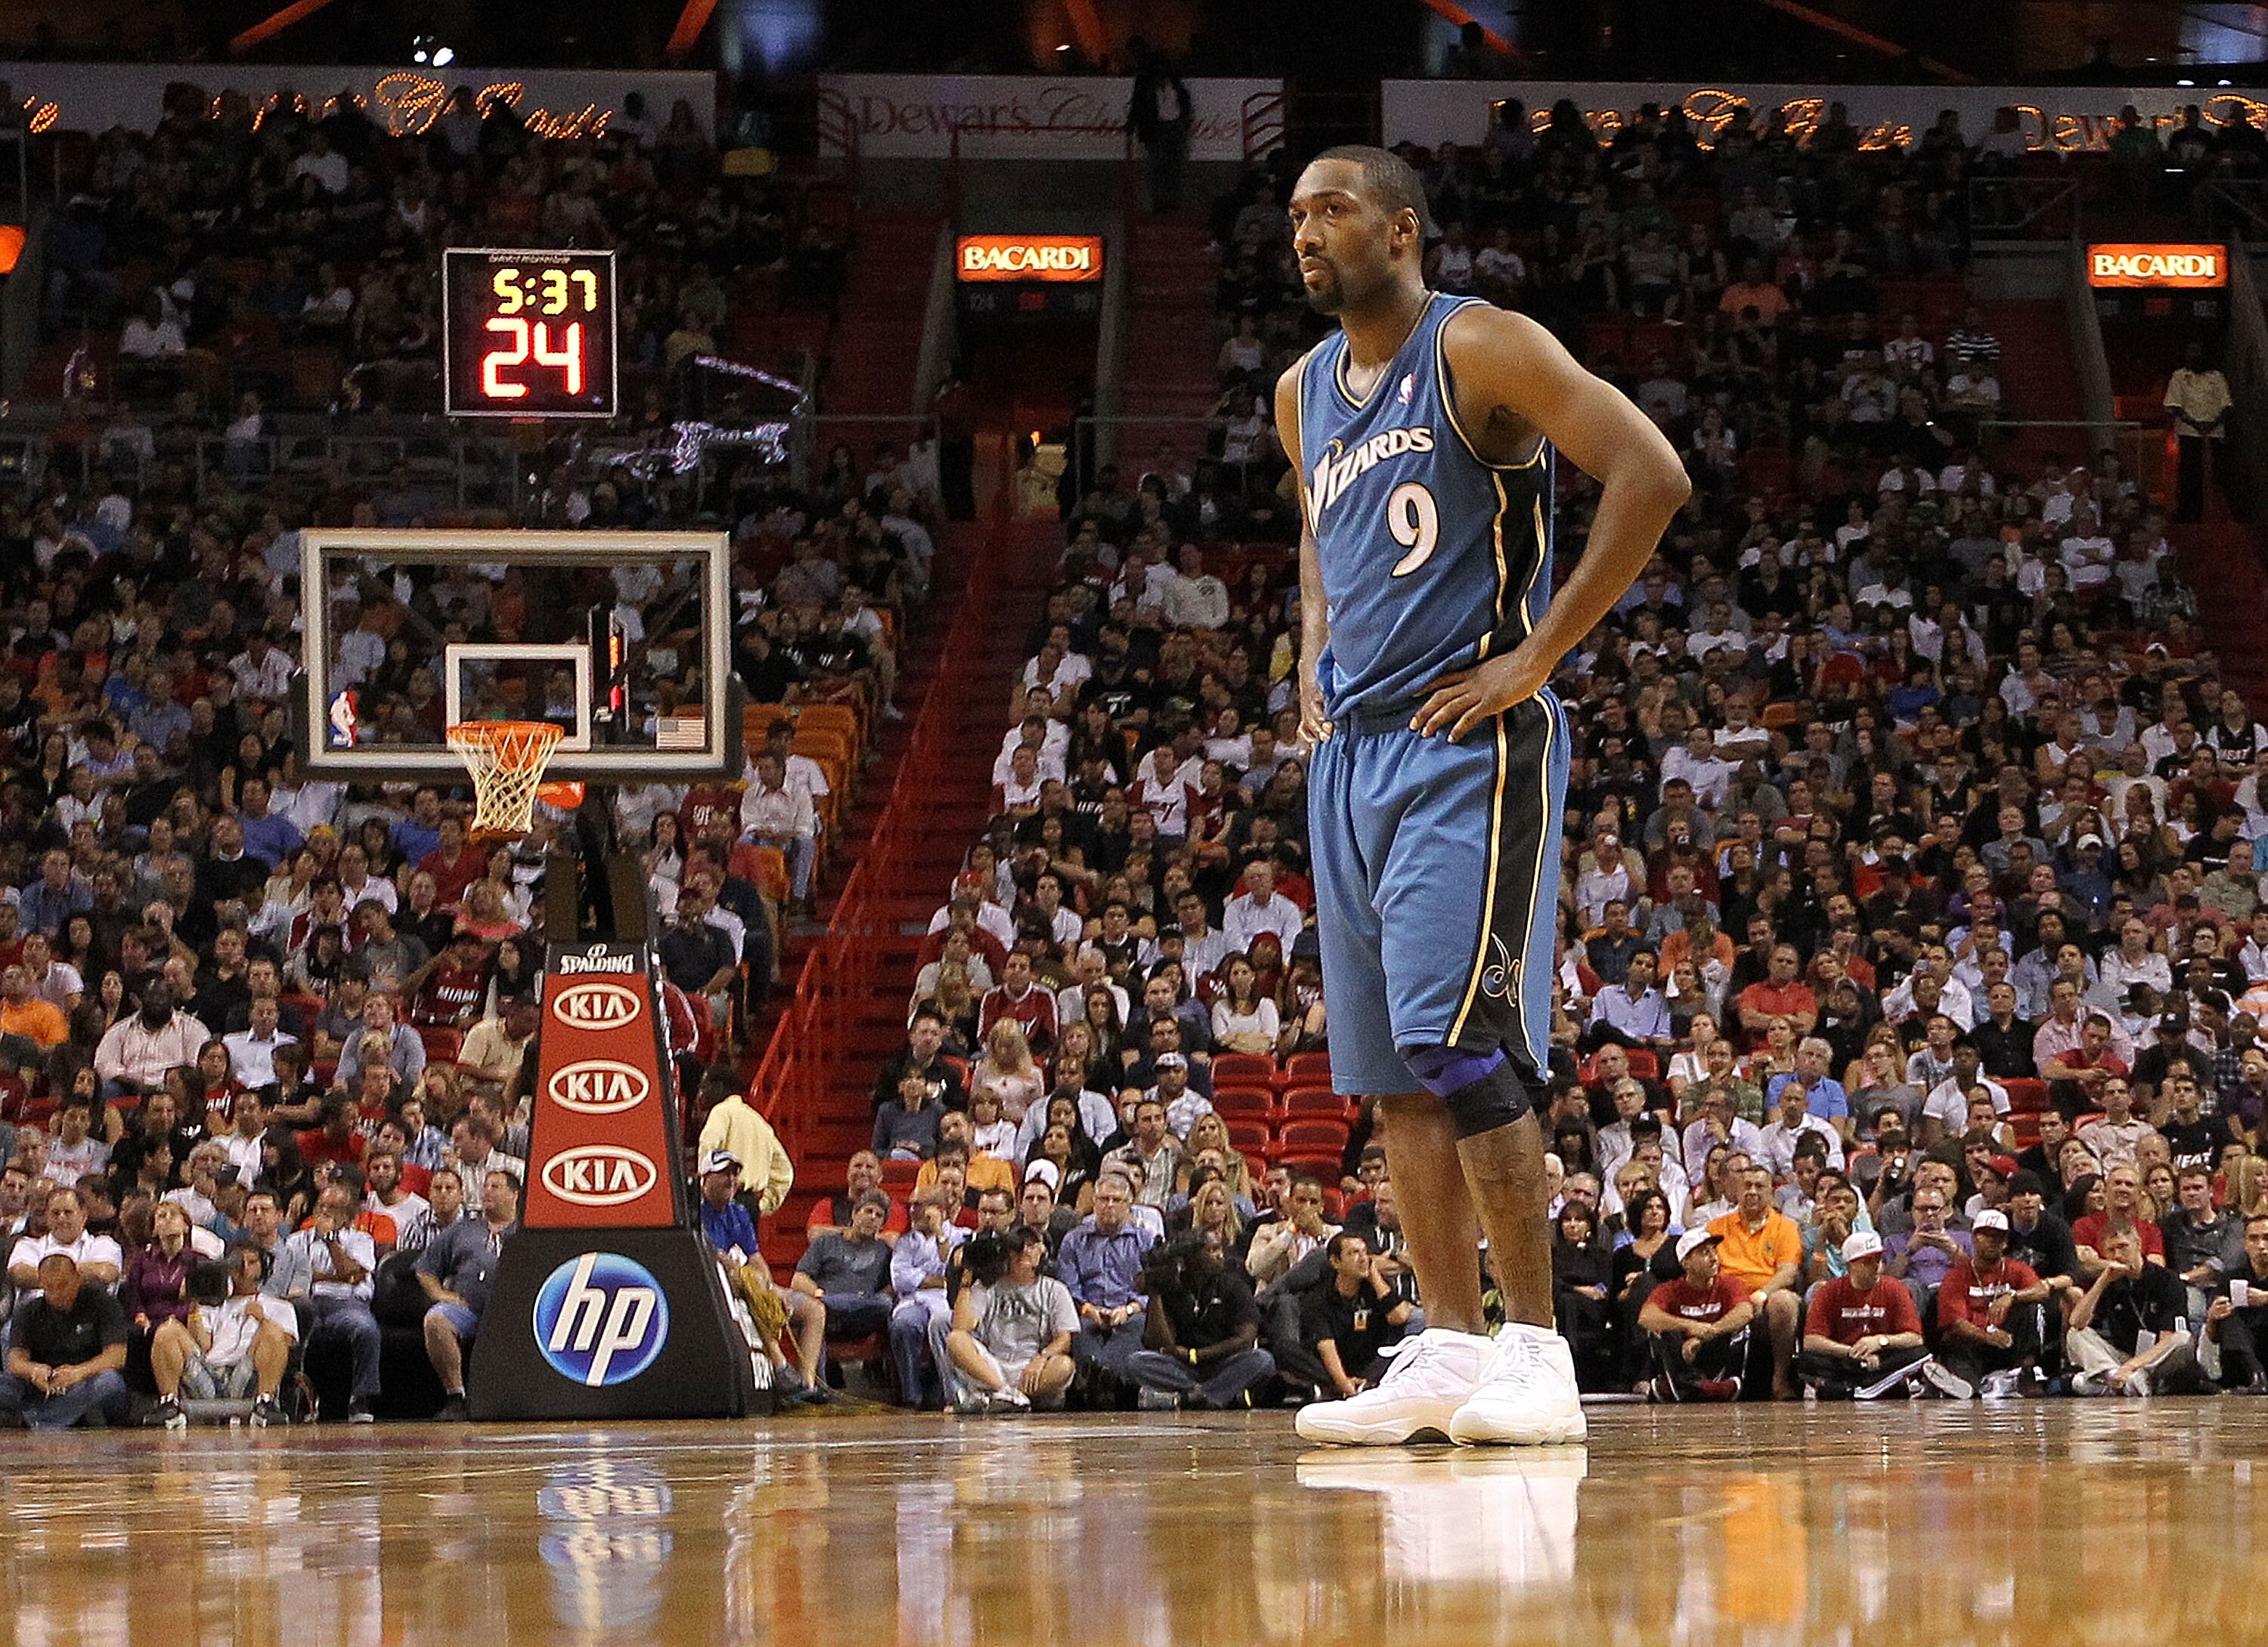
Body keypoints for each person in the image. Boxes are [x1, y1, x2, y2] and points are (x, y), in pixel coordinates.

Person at [1281, 147, 1687, 1450]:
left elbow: (1651, 471)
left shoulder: (1480, 347)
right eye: (1295, 215)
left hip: (1470, 744)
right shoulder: (1299, 393)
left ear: (1400, 228)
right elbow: (1316, 531)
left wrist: (1542, 653)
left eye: (1332, 208)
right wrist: (1310, 649)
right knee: (1396, 1080)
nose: (1307, 231)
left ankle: (1540, 1352)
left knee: (1464, 1048)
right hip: (1352, 750)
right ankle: (1450, 1347)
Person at [148, 1242, 299, 1429]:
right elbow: (203, 1345)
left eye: (252, 1262)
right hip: (211, 1373)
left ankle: (266, 1402)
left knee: (272, 1332)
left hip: (247, 1373)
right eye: (240, 1262)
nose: (245, 1268)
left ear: (263, 1268)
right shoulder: (214, 1304)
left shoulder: (280, 1307)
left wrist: (263, 1320)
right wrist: (194, 1306)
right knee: (168, 1330)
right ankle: (168, 1403)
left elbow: (284, 1344)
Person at [1127, 1229, 1276, 1410]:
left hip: (1224, 1363)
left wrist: (1196, 1355)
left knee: (1263, 1360)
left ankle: (1194, 1398)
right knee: (1137, 1361)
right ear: (1192, 1258)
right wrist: (1156, 1294)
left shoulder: (1234, 1285)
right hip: (1183, 1368)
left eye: (1220, 1249)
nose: (1220, 1256)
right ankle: (1216, 1395)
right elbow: (1160, 1343)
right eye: (1212, 1250)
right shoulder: (1173, 1287)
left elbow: (1246, 1338)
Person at [417, 1166, 520, 1421]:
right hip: (469, 1310)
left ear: (514, 1194)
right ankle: (456, 1397)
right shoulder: (464, 1229)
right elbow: (425, 1269)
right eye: (485, 1186)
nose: (487, 1192)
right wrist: (440, 1294)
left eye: (495, 1187)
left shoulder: (526, 1230)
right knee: (436, 1320)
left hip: (516, 1313)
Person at [1798, 1230, 1954, 1399]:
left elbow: (1915, 1338)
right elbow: (1812, 1341)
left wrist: (1880, 1341)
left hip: (1883, 1357)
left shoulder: (1895, 1288)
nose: (1876, 1266)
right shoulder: (1830, 1291)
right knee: (1807, 1360)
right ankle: (1881, 1385)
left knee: (1920, 1353)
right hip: (1846, 1357)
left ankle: (1853, 1389)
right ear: (1850, 1265)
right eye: (1867, 1261)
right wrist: (1851, 1351)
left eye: (1878, 1259)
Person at [940, 1226, 1078, 1413]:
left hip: (1031, 1367)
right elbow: (962, 1327)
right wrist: (967, 1280)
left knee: (1064, 1365)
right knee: (955, 1339)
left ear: (1042, 1253)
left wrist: (1042, 1358)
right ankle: (1004, 1393)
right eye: (1019, 1247)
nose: (1024, 1252)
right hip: (993, 1366)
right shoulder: (989, 1285)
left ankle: (1009, 1399)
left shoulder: (1055, 1290)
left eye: (1031, 1246)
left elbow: (1064, 1339)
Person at [0, 1253, 132, 1429]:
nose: (57, 1294)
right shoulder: (29, 1311)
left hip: (87, 1380)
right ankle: (58, 1416)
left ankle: (40, 1420)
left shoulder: (104, 1304)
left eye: (63, 1286)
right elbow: (15, 1362)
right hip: (44, 1386)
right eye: (50, 1288)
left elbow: (116, 1357)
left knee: (109, 1382)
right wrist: (35, 1371)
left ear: (77, 1279)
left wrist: (78, 1373)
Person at [287, 1181, 381, 1421]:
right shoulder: (296, 1241)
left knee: (366, 1329)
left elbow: (353, 1275)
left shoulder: (361, 1240)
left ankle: (361, 1399)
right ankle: (294, 1400)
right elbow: (297, 1279)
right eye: (322, 1206)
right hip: (308, 1304)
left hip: (347, 1305)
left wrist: (330, 1240)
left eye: (333, 1208)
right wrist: (340, 1276)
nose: (325, 1213)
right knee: (287, 1322)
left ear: (348, 1215)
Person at [1934, 1209, 2053, 1396]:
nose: (1992, 1241)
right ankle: (1958, 1384)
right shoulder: (1956, 1276)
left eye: (1998, 1236)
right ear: (1974, 1238)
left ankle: (2026, 1371)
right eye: (1986, 1235)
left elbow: (2042, 1290)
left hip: (2008, 1342)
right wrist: (1988, 1336)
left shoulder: (2017, 1269)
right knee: (1965, 1386)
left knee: (2034, 1307)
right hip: (1971, 1344)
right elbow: (1957, 1323)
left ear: (2005, 1242)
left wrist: (2012, 1296)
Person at [1636, 1228, 1755, 1402]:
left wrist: (1708, 1333)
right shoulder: (1669, 1289)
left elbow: (1745, 1312)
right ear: (1686, 1262)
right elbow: (1646, 1317)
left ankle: (1695, 1387)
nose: (1714, 1258)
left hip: (1715, 1352)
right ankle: (1702, 1388)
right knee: (1657, 1330)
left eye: (1714, 1251)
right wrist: (1690, 1326)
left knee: (1741, 1327)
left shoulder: (1730, 1284)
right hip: (1681, 1357)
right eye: (1704, 1253)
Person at [1301, 1231, 1417, 1406]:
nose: (1363, 1259)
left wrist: (1375, 1277)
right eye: (1354, 1253)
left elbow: (1399, 1317)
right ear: (1335, 1262)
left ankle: (1370, 1386)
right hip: (1337, 1363)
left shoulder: (1376, 1288)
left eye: (1364, 1252)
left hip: (1372, 1361)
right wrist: (1346, 1387)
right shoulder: (1319, 1298)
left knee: (1407, 1344)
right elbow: (1327, 1348)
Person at [888, 1190, 965, 1408]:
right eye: (911, 1205)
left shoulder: (960, 1236)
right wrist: (940, 1279)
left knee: (945, 1324)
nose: (913, 1211)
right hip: (913, 1301)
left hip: (946, 1300)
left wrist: (939, 1232)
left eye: (919, 1205)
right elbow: (901, 1279)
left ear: (939, 1210)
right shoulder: (905, 1242)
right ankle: (912, 1396)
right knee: (904, 1325)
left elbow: (955, 1270)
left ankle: (952, 1391)